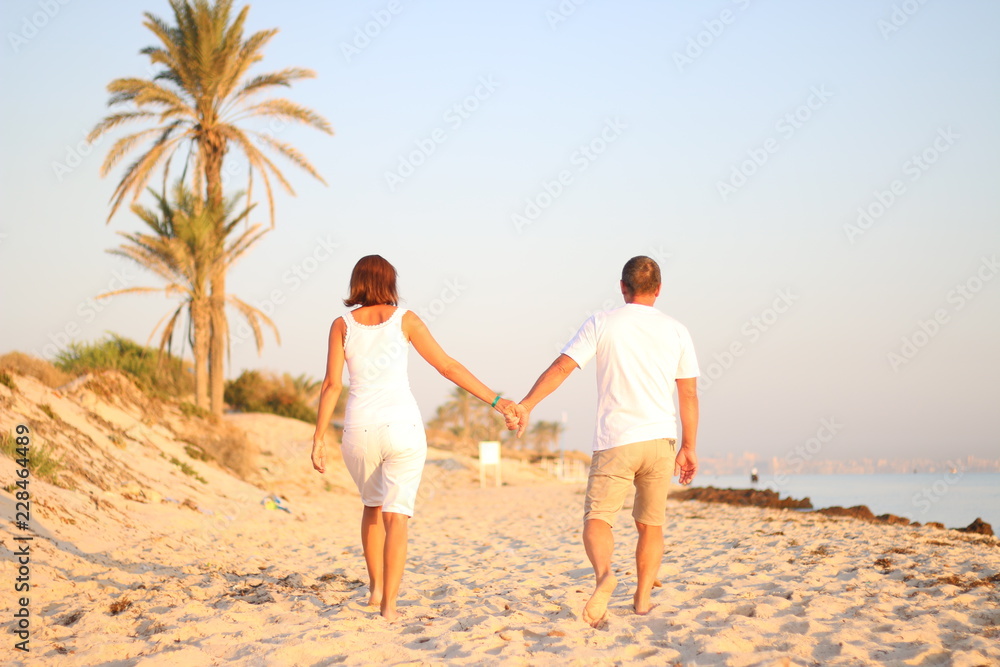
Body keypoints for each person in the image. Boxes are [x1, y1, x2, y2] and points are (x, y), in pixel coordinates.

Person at [311, 255, 523, 621]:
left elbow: (332, 385)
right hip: (402, 427)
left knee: (371, 506)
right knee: (397, 516)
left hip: (359, 430)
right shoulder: (405, 320)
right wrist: (496, 400)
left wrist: (318, 438)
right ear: (390, 283)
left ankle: (375, 586)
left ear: (356, 283)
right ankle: (390, 607)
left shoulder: (341, 325)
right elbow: (447, 366)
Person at [512, 255, 699, 627]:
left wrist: (526, 404)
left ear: (622, 287)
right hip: (661, 439)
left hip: (617, 440)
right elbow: (689, 394)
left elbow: (563, 366)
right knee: (651, 525)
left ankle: (604, 576)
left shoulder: (602, 322)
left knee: (598, 519)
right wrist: (688, 447)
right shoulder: (677, 330)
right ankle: (643, 600)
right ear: (659, 290)